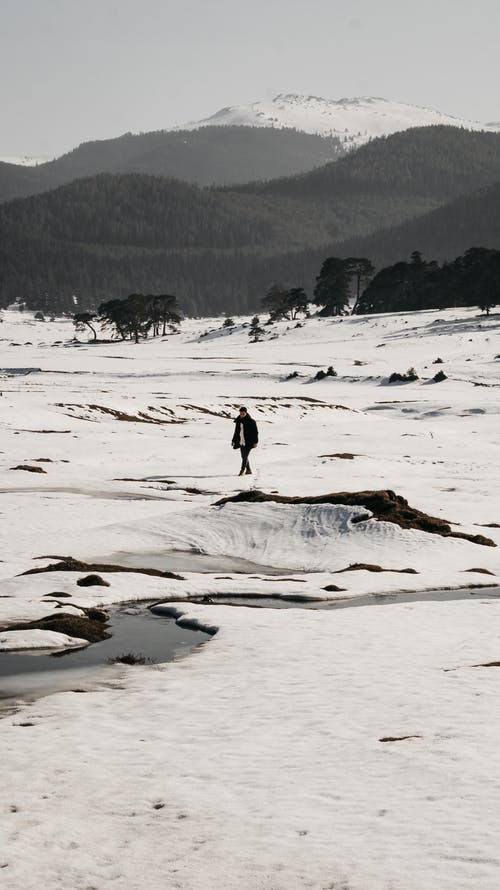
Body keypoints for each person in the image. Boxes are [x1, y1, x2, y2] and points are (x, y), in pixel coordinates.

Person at [231, 406, 258, 476]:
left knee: (245, 456)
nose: (242, 414)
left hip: (249, 442)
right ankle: (248, 470)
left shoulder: (251, 421)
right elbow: (236, 432)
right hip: (241, 441)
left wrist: (255, 442)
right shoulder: (238, 421)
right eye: (241, 413)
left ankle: (242, 470)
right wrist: (233, 440)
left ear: (246, 413)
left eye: (243, 413)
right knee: (243, 456)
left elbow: (255, 432)